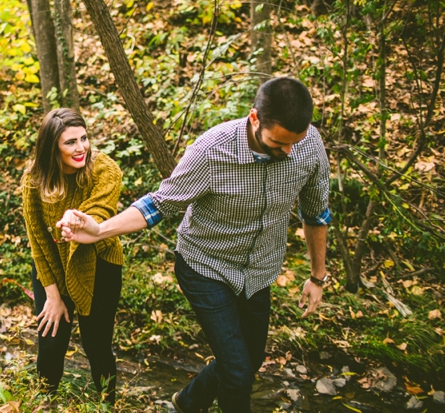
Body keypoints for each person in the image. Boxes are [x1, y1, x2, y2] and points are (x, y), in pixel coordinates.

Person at [58, 77, 331, 413]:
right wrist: (100, 230)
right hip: (205, 267)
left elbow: (316, 213)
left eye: (295, 142)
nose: (287, 151)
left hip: (259, 270)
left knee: (252, 358)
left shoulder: (309, 146)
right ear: (255, 118)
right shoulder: (212, 151)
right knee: (237, 371)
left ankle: (187, 403)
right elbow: (158, 204)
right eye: (278, 143)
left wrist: (317, 276)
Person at [21, 108, 124, 405]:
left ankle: (107, 405)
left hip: (100, 265)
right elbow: (38, 240)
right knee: (51, 344)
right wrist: (53, 295)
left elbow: (101, 210)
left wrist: (79, 219)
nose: (81, 148)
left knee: (97, 346)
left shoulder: (104, 169)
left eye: (84, 139)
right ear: (53, 147)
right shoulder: (34, 180)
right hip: (52, 267)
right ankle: (45, 404)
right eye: (70, 142)